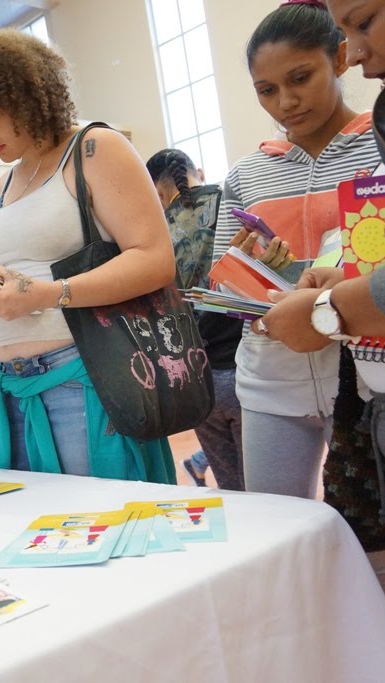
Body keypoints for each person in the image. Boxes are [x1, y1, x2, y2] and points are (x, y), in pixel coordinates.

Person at [0, 29, 177, 482]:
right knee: (40, 535)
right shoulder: (6, 181)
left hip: (82, 378)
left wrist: (48, 294)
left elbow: (155, 258)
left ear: (25, 94)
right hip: (8, 388)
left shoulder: (95, 148)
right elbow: (28, 273)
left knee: (101, 531)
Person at [211, 0, 380, 498]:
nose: (286, 101)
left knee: (375, 538)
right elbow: (222, 285)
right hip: (270, 379)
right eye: (267, 90)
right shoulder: (247, 174)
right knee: (277, 527)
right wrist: (254, 276)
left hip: (367, 377)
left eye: (301, 77)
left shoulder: (382, 145)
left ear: (341, 59)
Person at [146, 148, 246, 491]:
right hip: (245, 364)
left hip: (195, 377)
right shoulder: (229, 202)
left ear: (158, 193)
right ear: (196, 172)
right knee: (268, 492)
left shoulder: (154, 233)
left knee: (232, 487)